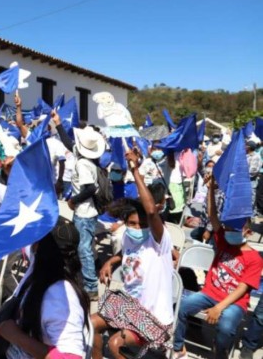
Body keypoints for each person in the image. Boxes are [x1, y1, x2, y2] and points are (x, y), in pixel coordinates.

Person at [92, 149, 174, 359]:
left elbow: (151, 212)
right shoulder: (128, 237)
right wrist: (110, 261)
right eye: (131, 224)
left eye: (141, 225)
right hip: (129, 307)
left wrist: (135, 171)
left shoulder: (159, 242)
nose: (137, 228)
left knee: (116, 344)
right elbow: (124, 254)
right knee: (90, 324)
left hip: (154, 317)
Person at [173, 175, 263, 359]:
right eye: (228, 228)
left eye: (235, 231)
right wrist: (211, 190)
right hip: (208, 293)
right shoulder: (223, 242)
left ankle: (219, 352)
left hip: (234, 302)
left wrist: (219, 308)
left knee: (226, 328)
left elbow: (242, 288)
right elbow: (213, 216)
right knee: (180, 307)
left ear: (248, 232)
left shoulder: (254, 258)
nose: (229, 233)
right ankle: (178, 347)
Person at [0, 219, 90, 359]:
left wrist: (15, 335)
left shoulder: (59, 295)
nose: (31, 245)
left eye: (35, 240)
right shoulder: (44, 273)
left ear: (41, 247)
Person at [52, 110, 105, 300]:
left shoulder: (83, 165)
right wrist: (58, 124)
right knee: (84, 246)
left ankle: (90, 286)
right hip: (85, 212)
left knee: (83, 249)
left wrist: (73, 200)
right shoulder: (86, 158)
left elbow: (90, 189)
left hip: (84, 213)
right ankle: (83, 279)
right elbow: (68, 143)